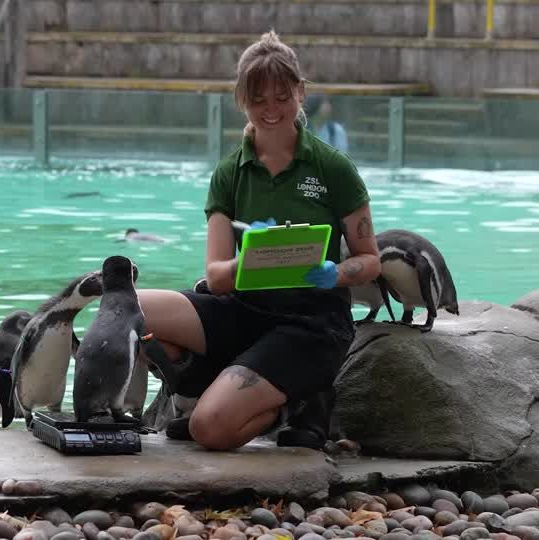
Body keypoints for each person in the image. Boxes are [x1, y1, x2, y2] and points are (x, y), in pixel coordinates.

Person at [136, 30, 381, 451]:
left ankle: (296, 402)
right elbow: (216, 278)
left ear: (301, 93)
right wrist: (253, 258)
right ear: (241, 99)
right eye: (258, 99)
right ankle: (208, 380)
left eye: (282, 97)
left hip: (310, 325)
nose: (271, 110)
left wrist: (335, 274)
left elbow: (371, 260)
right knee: (128, 307)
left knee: (209, 430)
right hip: (244, 310)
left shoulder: (333, 168)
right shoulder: (231, 172)